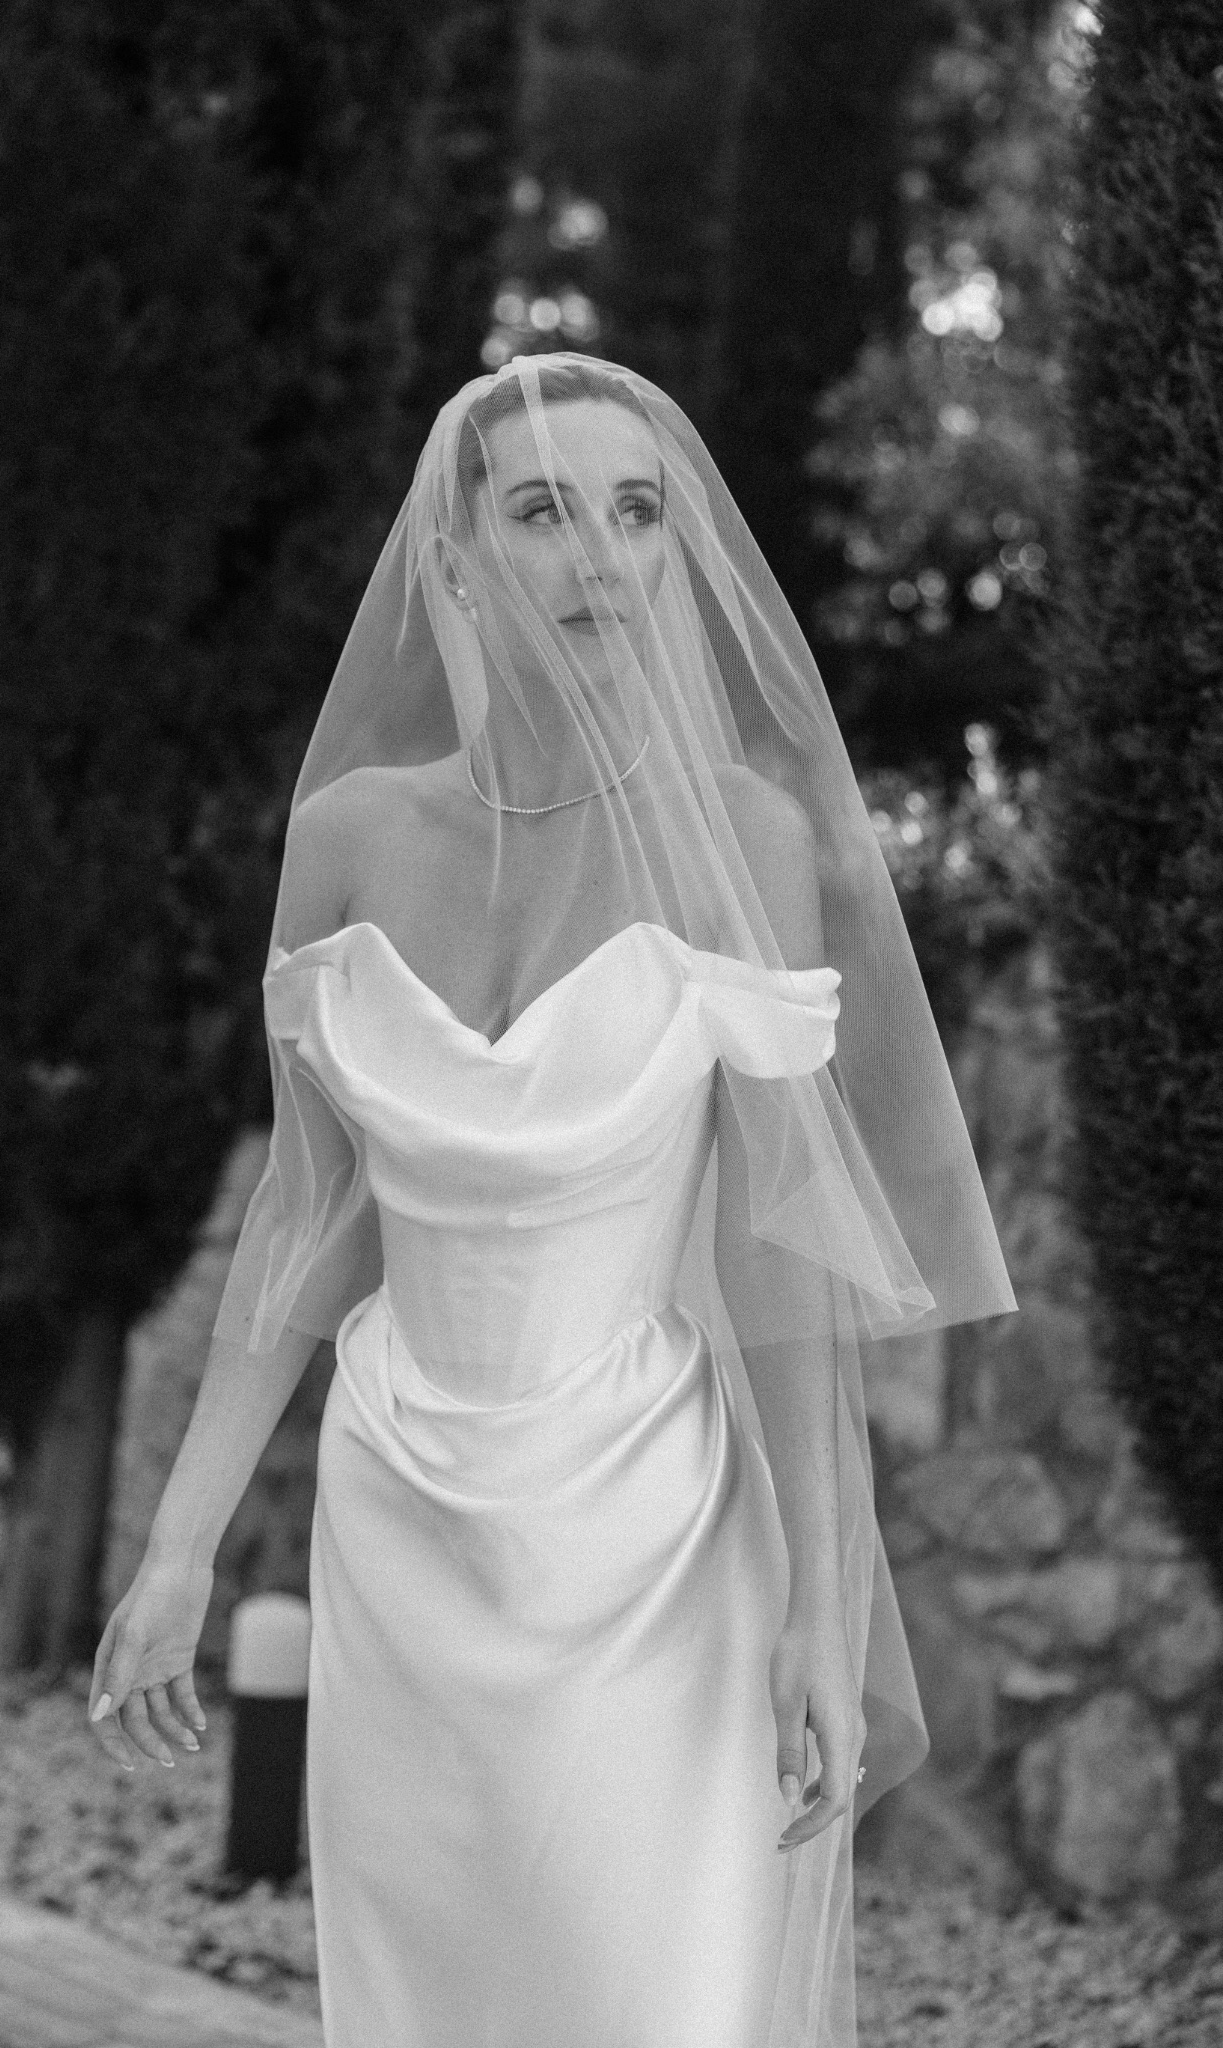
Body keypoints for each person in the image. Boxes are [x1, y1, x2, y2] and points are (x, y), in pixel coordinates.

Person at [89, 354, 1016, 2046]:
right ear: (453, 559)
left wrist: (821, 1605)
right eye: (541, 510)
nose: (599, 554)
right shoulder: (349, 837)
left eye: (635, 512)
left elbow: (781, 1250)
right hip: (398, 1513)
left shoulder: (741, 837)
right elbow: (310, 1211)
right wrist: (177, 1547)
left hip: (649, 1529)